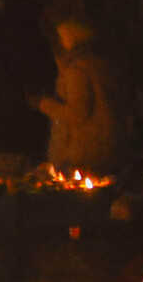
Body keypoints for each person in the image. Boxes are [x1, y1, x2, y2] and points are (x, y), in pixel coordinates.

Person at [36, 19, 124, 177]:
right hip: (104, 147)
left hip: (83, 151)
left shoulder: (77, 71)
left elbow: (78, 113)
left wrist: (42, 104)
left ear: (72, 39)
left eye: (62, 37)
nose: (60, 42)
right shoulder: (100, 66)